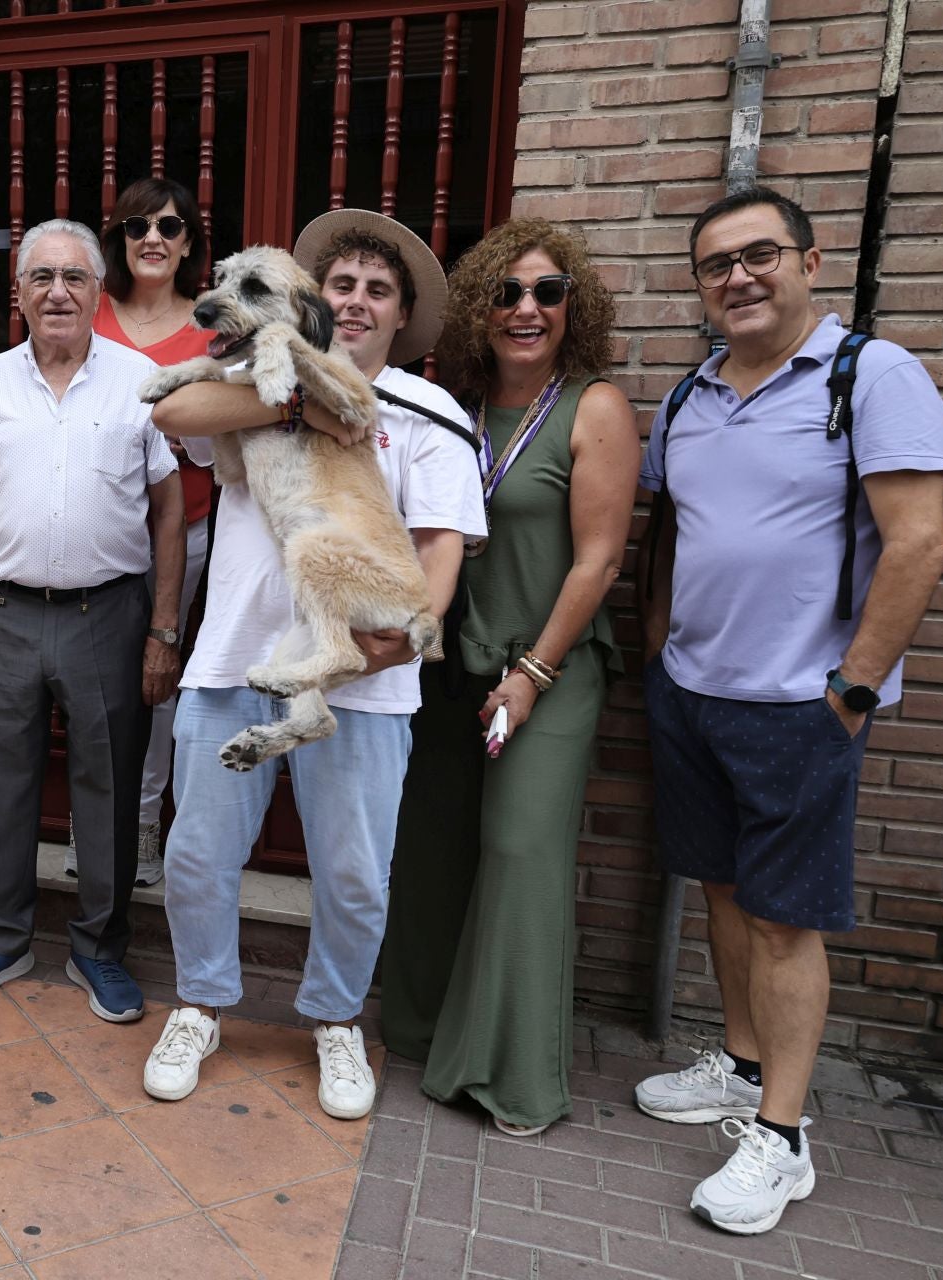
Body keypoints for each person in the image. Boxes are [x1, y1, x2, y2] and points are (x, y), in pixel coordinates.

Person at [634, 187, 943, 1234]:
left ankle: (781, 1137)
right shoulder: (689, 396)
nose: (738, 277)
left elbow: (917, 541)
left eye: (759, 254)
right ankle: (739, 1065)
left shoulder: (872, 375)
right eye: (715, 264)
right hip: (695, 692)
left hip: (800, 704)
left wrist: (851, 689)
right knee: (726, 888)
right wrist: (661, 656)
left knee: (783, 917)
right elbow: (670, 533)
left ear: (810, 263)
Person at [140, 210, 483, 1122]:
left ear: (401, 313)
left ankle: (335, 1018)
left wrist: (403, 636)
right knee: (197, 855)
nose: (359, 301)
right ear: (312, 301)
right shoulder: (252, 373)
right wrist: (298, 398)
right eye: (343, 285)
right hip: (232, 658)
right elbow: (172, 408)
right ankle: (201, 1003)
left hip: (365, 673)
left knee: (354, 873)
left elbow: (442, 543)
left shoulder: (429, 411)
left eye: (380, 289)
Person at [377, 219, 637, 1137]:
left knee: (521, 852)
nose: (526, 309)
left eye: (547, 292)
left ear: (574, 307)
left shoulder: (594, 408)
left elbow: (600, 561)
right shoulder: (454, 409)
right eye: (506, 292)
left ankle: (510, 1079)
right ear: (478, 309)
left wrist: (532, 673)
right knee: (432, 847)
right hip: (452, 668)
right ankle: (418, 1030)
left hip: (547, 670)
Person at [0, 218, 185, 1022]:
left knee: (107, 787)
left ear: (97, 290)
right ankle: (0, 940)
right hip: (3, 612)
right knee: (3, 783)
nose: (58, 293)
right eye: (41, 277)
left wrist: (164, 630)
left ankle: (99, 950)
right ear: (18, 293)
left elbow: (170, 512)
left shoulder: (141, 379)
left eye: (74, 277)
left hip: (108, 614)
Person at [65, 177, 215, 888]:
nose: (153, 238)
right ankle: (91, 825)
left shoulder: (213, 327)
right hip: (93, 529)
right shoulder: (87, 313)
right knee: (87, 682)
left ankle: (145, 822)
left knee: (158, 676)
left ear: (189, 243)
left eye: (169, 226)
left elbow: (230, 439)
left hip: (182, 531)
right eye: (137, 226)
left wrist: (190, 437)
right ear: (117, 240)